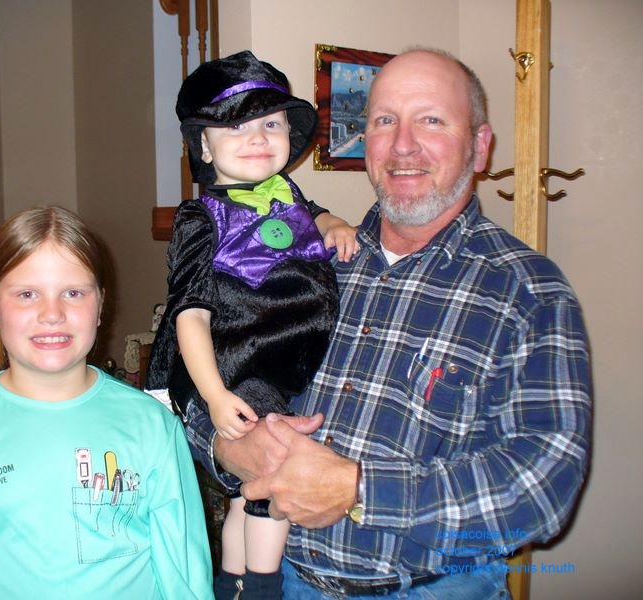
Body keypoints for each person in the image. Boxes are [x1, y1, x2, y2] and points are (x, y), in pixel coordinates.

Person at [185, 47, 592, 600]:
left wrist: (359, 489)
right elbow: (200, 383)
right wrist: (228, 446)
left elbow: (545, 487)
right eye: (383, 121)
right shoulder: (298, 261)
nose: (403, 144)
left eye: (432, 120)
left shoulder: (528, 291)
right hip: (280, 581)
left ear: (480, 147)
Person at [0, 206, 213, 599]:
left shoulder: (153, 426)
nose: (52, 314)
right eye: (27, 294)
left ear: (100, 305)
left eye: (73, 293)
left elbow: (185, 578)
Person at [145, 50, 359, 599]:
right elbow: (189, 313)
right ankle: (264, 584)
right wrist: (215, 395)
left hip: (288, 366)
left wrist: (334, 222)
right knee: (273, 475)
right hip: (243, 365)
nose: (258, 138)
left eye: (271, 124)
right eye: (236, 127)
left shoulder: (287, 195)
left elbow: (313, 213)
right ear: (204, 146)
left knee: (244, 492)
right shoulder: (203, 217)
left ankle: (232, 580)